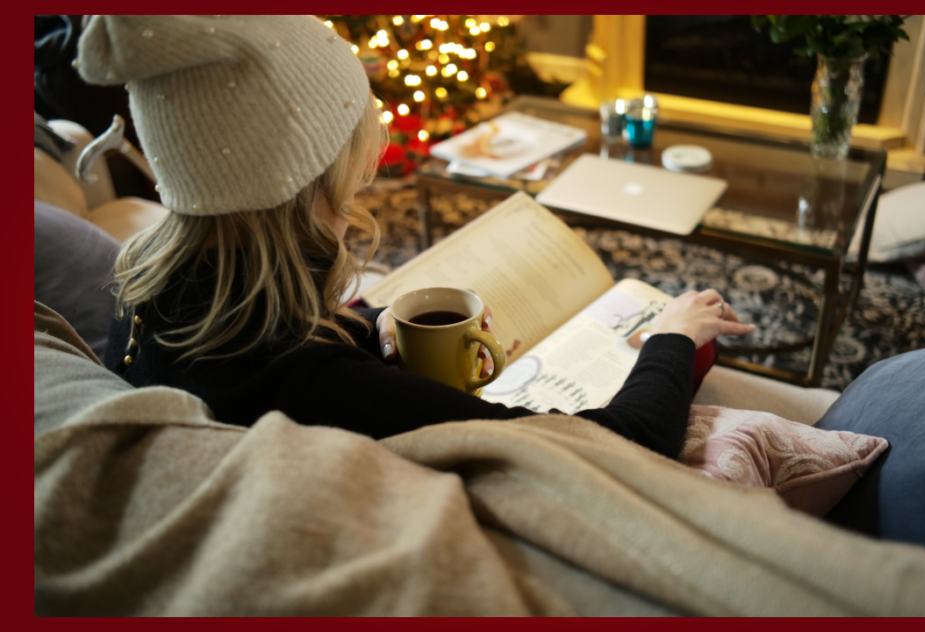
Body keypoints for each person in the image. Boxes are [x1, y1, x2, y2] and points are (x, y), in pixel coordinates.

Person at [78, 15, 754, 460]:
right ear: (312, 178)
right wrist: (673, 332)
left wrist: (371, 329)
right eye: (351, 160)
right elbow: (624, 446)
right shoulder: (318, 383)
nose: (360, 187)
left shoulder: (150, 291)